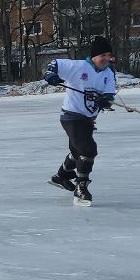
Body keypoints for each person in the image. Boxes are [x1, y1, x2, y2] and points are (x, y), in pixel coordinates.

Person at [42, 37, 118, 206]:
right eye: (103, 55)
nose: (106, 59)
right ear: (94, 56)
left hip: (88, 120)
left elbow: (109, 93)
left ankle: (61, 176)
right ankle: (81, 187)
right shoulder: (78, 67)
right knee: (89, 149)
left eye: (109, 55)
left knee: (78, 152)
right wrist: (50, 75)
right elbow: (54, 64)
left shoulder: (109, 72)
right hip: (71, 116)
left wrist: (106, 100)